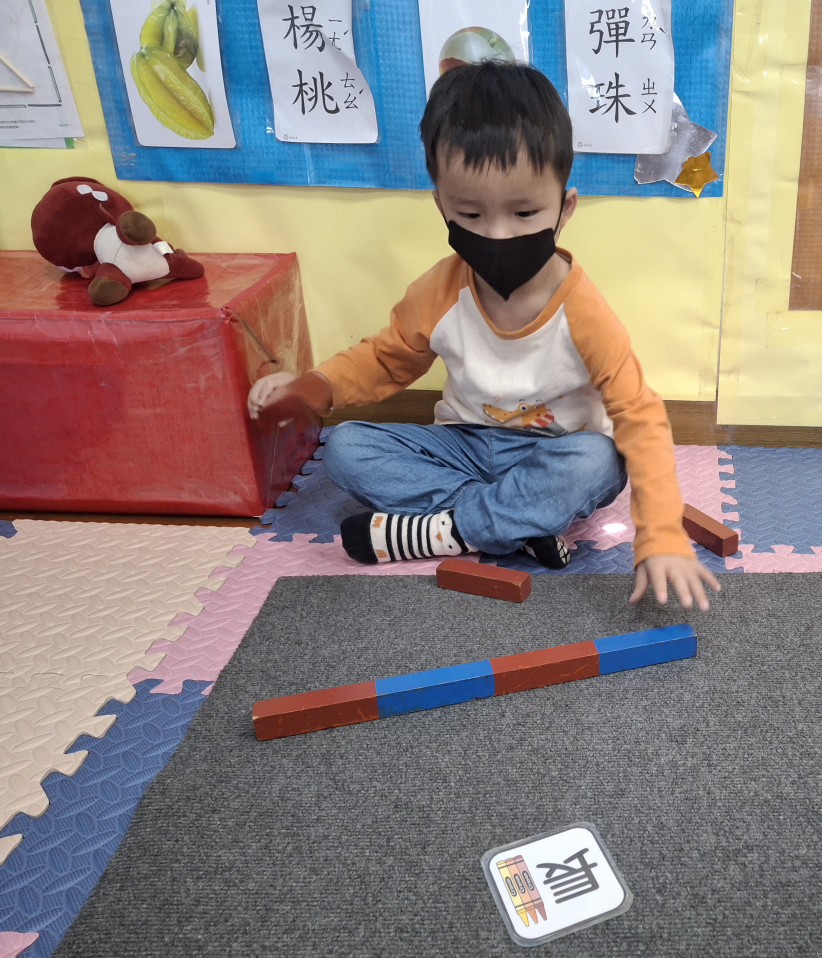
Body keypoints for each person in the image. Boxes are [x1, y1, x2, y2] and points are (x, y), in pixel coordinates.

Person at [248, 60, 719, 610]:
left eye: (525, 212)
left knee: (600, 461)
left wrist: (661, 532)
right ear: (442, 205)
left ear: (564, 208)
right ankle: (514, 524)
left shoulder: (583, 310)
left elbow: (638, 411)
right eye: (470, 214)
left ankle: (442, 531)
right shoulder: (440, 290)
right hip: (462, 446)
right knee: (347, 447)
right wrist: (313, 387)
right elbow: (385, 360)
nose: (497, 234)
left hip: (554, 450)